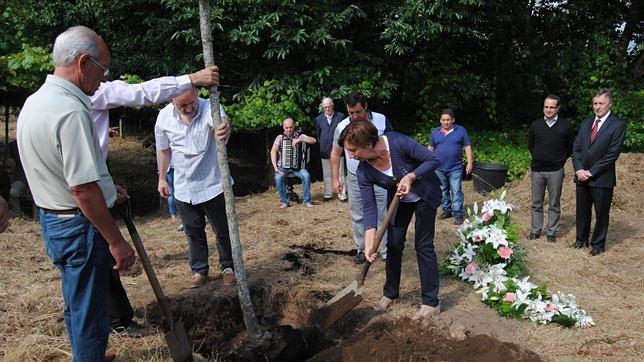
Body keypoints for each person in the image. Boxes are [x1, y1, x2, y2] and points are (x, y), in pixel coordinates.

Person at [16, 26, 136, 361]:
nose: (103, 79)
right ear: (83, 63)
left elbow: (60, 168)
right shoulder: (71, 111)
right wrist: (116, 241)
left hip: (52, 219)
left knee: (75, 300)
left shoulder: (36, 102)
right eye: (103, 70)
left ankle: (87, 354)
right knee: (91, 310)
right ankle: (89, 355)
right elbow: (82, 189)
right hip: (77, 225)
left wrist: (109, 190)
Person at [90, 62, 219, 335]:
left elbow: (88, 159)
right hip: (84, 198)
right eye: (101, 70)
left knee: (103, 262)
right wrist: (192, 78)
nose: (104, 78)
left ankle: (120, 318)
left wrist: (108, 184)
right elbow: (142, 93)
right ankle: (117, 322)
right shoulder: (90, 96)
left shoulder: (73, 98)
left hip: (209, 182)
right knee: (99, 261)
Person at [339, 120, 442, 320]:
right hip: (398, 201)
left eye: (353, 150)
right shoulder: (364, 171)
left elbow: (433, 160)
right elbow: (369, 208)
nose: (350, 155)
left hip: (425, 195)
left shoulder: (397, 143)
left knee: (423, 245)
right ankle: (390, 293)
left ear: (368, 145)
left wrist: (411, 176)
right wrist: (369, 243)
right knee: (393, 245)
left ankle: (431, 302)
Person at [155, 88, 234, 288]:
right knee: (193, 231)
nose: (190, 107)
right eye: (184, 105)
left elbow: (222, 121)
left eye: (192, 102)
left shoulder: (210, 107)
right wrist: (162, 178)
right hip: (183, 186)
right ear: (172, 100)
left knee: (223, 229)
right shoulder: (163, 118)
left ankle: (228, 267)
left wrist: (224, 127)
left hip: (213, 183)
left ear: (197, 93)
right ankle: (199, 271)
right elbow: (163, 151)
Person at [331, 93, 393, 264]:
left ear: (365, 106)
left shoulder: (381, 120)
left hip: (380, 174)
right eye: (351, 113)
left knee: (383, 212)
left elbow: (391, 144)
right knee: (358, 213)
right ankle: (362, 248)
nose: (354, 116)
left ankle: (385, 249)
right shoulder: (342, 126)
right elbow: (336, 153)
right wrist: (336, 179)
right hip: (355, 176)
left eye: (358, 112)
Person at [571, 90, 627, 256]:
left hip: (602, 178)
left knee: (601, 213)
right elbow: (576, 148)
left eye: (601, 103)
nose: (597, 107)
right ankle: (581, 240)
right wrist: (579, 169)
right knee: (582, 211)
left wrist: (591, 172)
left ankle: (598, 244)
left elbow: (612, 154)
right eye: (595, 103)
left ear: (609, 104)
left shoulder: (618, 125)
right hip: (581, 176)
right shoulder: (586, 123)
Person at [527, 95, 575, 242]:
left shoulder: (566, 126)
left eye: (552, 107)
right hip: (537, 170)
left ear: (558, 108)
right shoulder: (536, 125)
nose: (548, 109)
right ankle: (536, 230)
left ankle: (551, 232)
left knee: (554, 203)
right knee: (536, 202)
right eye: (546, 106)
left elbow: (570, 147)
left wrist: (559, 161)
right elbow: (531, 145)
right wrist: (538, 157)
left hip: (555, 171)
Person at [427, 109, 473, 225]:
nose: (446, 122)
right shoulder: (435, 132)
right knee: (443, 190)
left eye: (448, 120)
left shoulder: (460, 131)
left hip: (455, 168)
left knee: (456, 190)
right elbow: (430, 149)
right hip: (438, 167)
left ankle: (458, 214)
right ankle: (446, 210)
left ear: (453, 120)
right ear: (440, 120)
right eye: (443, 120)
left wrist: (470, 163)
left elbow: (467, 147)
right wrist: (427, 164)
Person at [271, 117, 317, 208]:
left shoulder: (299, 135)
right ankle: (285, 202)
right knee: (278, 177)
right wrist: (276, 169)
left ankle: (306, 200)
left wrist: (300, 140)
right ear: (283, 128)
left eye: (291, 127)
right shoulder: (280, 138)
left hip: (298, 168)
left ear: (294, 126)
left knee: (306, 175)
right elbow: (273, 151)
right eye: (287, 128)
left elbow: (314, 140)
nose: (289, 130)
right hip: (283, 167)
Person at [315, 97, 346, 201]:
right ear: (323, 108)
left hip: (338, 150)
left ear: (332, 105)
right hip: (325, 150)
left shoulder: (341, 117)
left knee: (340, 173)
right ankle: (328, 194)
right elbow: (318, 134)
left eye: (329, 106)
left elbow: (344, 133)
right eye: (325, 107)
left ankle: (342, 195)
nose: (327, 109)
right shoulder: (318, 119)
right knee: (327, 173)